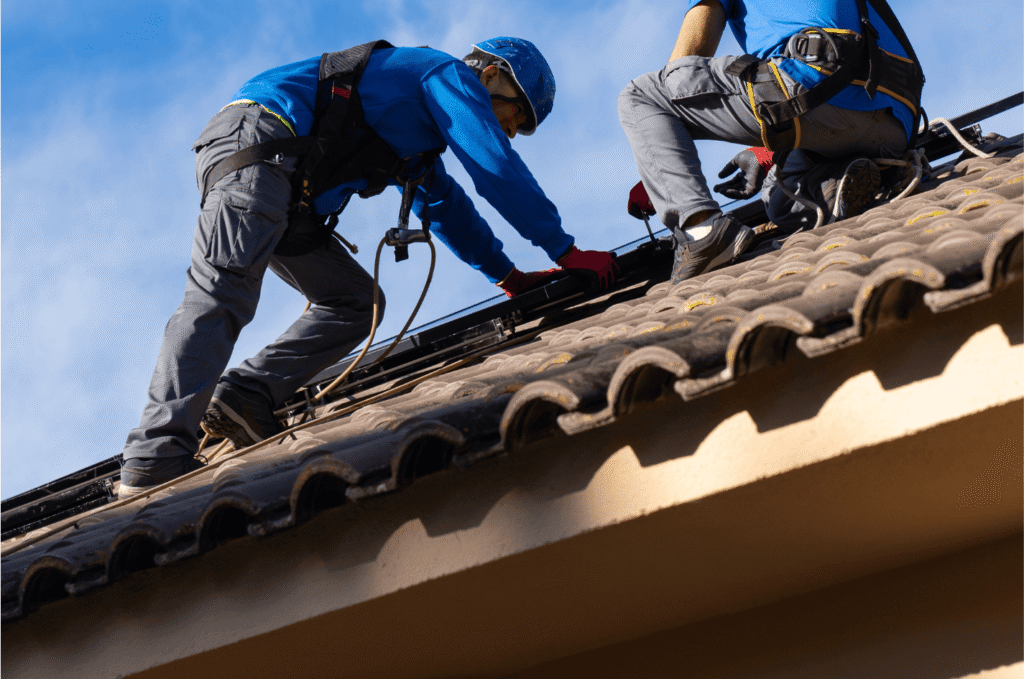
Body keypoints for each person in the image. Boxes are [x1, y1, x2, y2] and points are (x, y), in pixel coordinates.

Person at [118, 37, 618, 498]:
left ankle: (246, 394)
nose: (510, 130)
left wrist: (508, 278)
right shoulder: (443, 74)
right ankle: (155, 455)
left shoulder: (415, 138)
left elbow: (445, 205)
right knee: (221, 293)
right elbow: (494, 165)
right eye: (516, 115)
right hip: (260, 147)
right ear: (490, 76)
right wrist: (565, 251)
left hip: (291, 193)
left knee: (357, 304)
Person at [620, 0, 924, 282]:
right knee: (779, 198)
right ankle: (837, 181)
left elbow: (682, 69)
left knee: (642, 97)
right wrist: (768, 149)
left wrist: (659, 174)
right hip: (897, 121)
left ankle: (701, 233)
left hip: (816, 80)